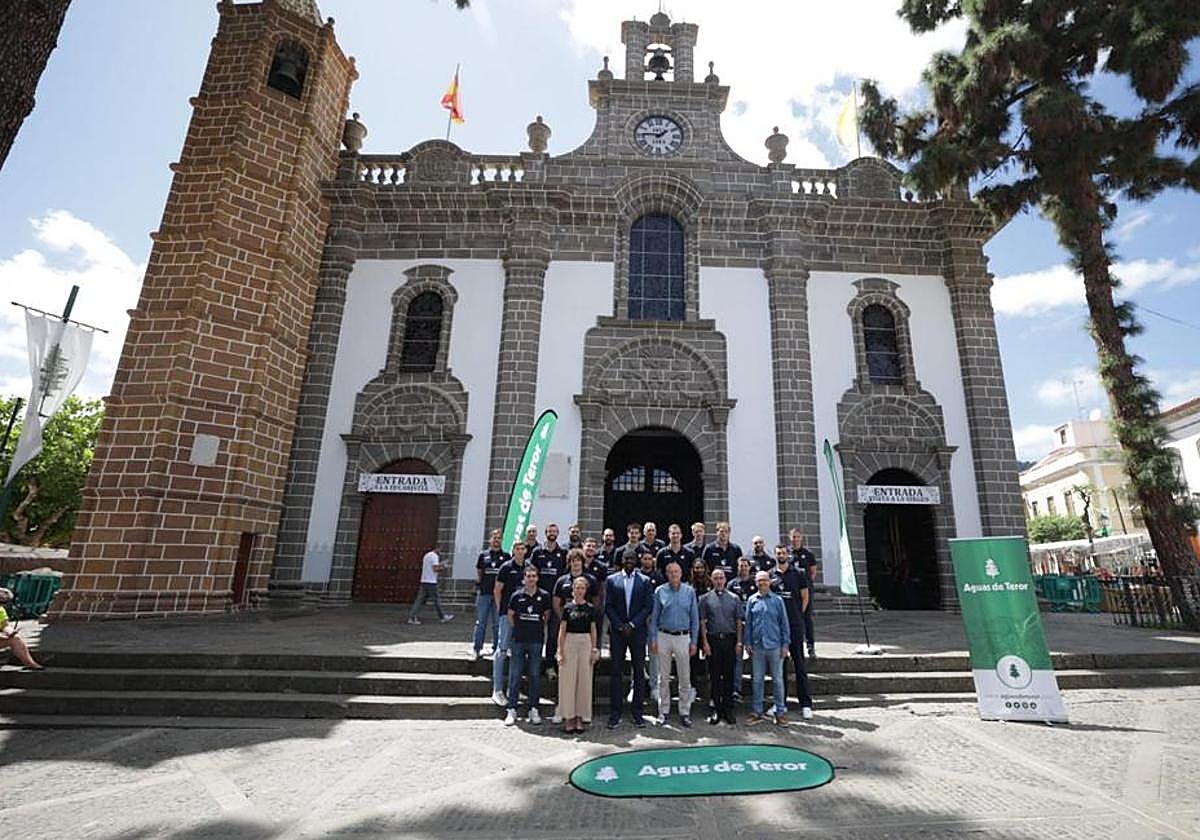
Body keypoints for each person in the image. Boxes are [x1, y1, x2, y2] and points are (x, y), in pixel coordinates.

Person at [604, 547, 653, 729]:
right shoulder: (612, 580)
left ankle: (637, 712)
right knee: (616, 671)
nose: (629, 560)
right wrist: (619, 625)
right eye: (626, 558)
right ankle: (615, 713)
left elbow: (648, 607)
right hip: (617, 632)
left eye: (632, 558)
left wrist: (632, 624)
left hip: (637, 632)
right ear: (621, 560)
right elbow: (608, 606)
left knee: (639, 672)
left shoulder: (645, 581)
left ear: (637, 560)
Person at [649, 560, 700, 727]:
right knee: (663, 678)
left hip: (683, 637)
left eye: (676, 572)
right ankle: (663, 711)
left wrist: (694, 641)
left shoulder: (689, 591)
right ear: (666, 574)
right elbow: (654, 618)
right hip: (663, 636)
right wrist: (653, 639)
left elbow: (695, 619)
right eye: (670, 572)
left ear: (681, 574)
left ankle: (684, 712)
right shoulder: (660, 591)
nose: (673, 575)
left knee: (684, 678)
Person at [770, 544, 813, 719]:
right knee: (779, 668)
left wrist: (797, 616)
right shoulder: (771, 575)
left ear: (788, 555)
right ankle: (781, 703)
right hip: (777, 628)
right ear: (775, 555)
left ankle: (806, 704)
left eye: (784, 553)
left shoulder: (799, 574)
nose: (781, 555)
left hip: (794, 626)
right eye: (778, 553)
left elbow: (805, 597)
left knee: (799, 665)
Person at [505, 565, 551, 725]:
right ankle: (511, 708)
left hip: (536, 641)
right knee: (515, 675)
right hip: (518, 640)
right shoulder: (516, 596)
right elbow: (510, 615)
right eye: (528, 576)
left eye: (534, 576)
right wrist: (518, 628)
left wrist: (539, 629)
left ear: (537, 578)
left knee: (535, 675)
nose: (531, 579)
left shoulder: (544, 596)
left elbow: (546, 615)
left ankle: (533, 708)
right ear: (524, 578)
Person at [744, 570, 791, 725]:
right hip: (757, 647)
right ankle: (757, 712)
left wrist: (785, 645)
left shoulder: (778, 601)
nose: (762, 583)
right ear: (755, 583)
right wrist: (748, 643)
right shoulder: (752, 600)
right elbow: (748, 624)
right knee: (757, 680)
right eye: (759, 581)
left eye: (764, 580)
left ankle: (780, 712)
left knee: (777, 680)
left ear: (769, 582)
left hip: (775, 646)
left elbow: (784, 624)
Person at [556, 576, 599, 734]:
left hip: (585, 642)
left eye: (582, 588)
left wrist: (594, 649)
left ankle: (581, 717)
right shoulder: (567, 608)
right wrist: (560, 651)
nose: (579, 591)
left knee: (584, 681)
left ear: (585, 590)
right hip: (570, 642)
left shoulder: (590, 608)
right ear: (572, 589)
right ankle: (569, 717)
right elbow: (562, 630)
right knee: (568, 681)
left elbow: (593, 630)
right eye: (577, 588)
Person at [700, 568, 741, 724]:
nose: (719, 581)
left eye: (721, 578)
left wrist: (739, 641)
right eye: (716, 578)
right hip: (713, 641)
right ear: (711, 579)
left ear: (725, 579)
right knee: (715, 677)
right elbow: (702, 622)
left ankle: (728, 709)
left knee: (730, 676)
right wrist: (705, 643)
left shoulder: (734, 598)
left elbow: (738, 621)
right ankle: (716, 709)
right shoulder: (705, 599)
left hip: (730, 641)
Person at [491, 541, 530, 705]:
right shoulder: (506, 567)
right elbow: (497, 590)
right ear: (513, 550)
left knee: (518, 653)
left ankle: (513, 690)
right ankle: (497, 690)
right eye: (517, 549)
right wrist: (502, 611)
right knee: (502, 651)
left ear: (526, 551)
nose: (520, 551)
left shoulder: (529, 568)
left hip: (522, 618)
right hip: (507, 617)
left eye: (523, 549)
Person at [533, 523, 569, 677]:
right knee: (536, 633)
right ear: (546, 533)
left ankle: (549, 666)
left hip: (556, 601)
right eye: (550, 531)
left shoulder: (563, 553)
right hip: (539, 600)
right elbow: (531, 572)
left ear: (558, 534)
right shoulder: (537, 552)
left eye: (555, 531)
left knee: (553, 635)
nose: (552, 533)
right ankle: (533, 665)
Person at [472, 529, 510, 660]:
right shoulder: (483, 555)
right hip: (484, 593)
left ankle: (496, 649)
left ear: (501, 540)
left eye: (499, 538)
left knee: (497, 623)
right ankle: (477, 649)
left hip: (499, 595)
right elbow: (479, 572)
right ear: (490, 539)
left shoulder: (506, 556)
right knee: (480, 622)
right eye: (494, 537)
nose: (496, 539)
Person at [637, 547, 664, 702]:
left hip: (654, 620)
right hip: (639, 620)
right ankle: (637, 686)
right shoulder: (637, 576)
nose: (647, 561)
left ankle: (655, 687)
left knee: (654, 654)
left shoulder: (658, 576)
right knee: (638, 654)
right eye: (645, 558)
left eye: (649, 558)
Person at [727, 556, 756, 701]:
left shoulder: (755, 584)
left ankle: (756, 689)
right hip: (736, 626)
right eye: (741, 565)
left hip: (753, 626)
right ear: (737, 567)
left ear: (749, 567)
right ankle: (736, 690)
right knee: (737, 659)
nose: (743, 568)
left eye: (745, 565)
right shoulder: (732, 584)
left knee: (755, 658)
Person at [407, 545, 454, 625]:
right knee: (436, 600)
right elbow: (435, 569)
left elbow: (432, 566)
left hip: (424, 580)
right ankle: (442, 616)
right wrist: (444, 567)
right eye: (441, 549)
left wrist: (441, 564)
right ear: (438, 548)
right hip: (431, 582)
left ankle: (412, 617)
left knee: (419, 600)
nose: (441, 551)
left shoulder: (427, 555)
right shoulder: (435, 556)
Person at [790, 528, 819, 658]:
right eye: (793, 537)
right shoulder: (788, 553)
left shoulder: (808, 554)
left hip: (805, 590)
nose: (795, 539)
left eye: (797, 537)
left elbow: (813, 573)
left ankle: (810, 646)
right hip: (791, 591)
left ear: (801, 538)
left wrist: (805, 584)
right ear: (790, 538)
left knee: (806, 618)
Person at [0, 588, 42, 670]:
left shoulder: (1, 610)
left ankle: (30, 663)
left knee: (16, 639)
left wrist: (10, 632)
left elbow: (5, 625)